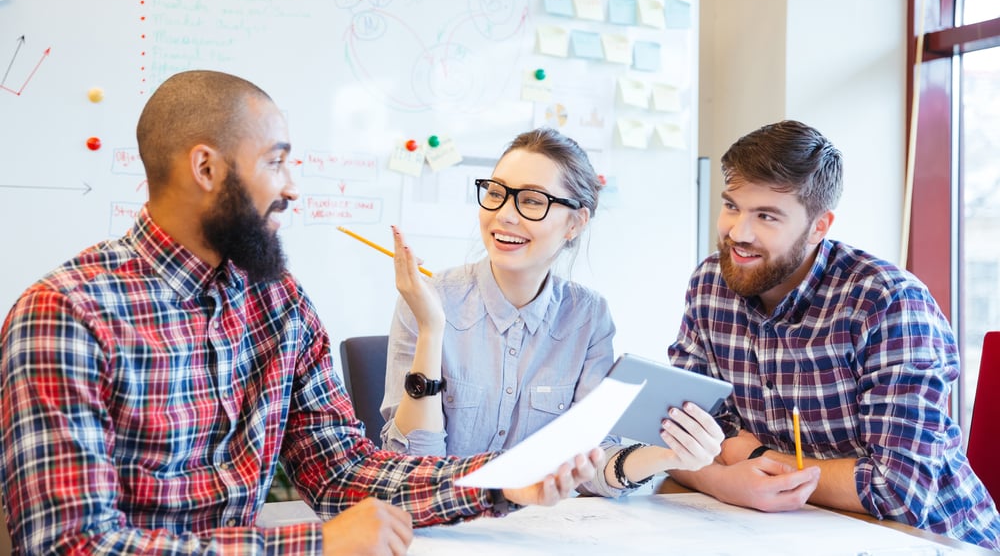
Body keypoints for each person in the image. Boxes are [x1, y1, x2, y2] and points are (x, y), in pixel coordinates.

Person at [0, 70, 604, 556]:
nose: (292, 188)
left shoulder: (277, 302)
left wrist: (498, 480)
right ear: (206, 168)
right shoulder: (65, 315)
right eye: (275, 162)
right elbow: (72, 544)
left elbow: (342, 470)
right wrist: (313, 544)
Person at [666, 120, 1000, 548]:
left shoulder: (887, 303)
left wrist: (752, 457)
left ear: (820, 226)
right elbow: (680, 435)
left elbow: (897, 489)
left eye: (766, 216)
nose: (738, 233)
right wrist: (728, 478)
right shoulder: (711, 284)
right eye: (732, 206)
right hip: (790, 531)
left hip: (930, 540)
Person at [380, 127, 724, 497]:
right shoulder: (429, 301)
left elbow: (590, 463)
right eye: (496, 193)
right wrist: (432, 329)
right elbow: (412, 472)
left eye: (531, 201)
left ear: (575, 224)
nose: (505, 215)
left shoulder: (589, 318)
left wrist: (667, 455)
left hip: (542, 529)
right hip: (446, 527)